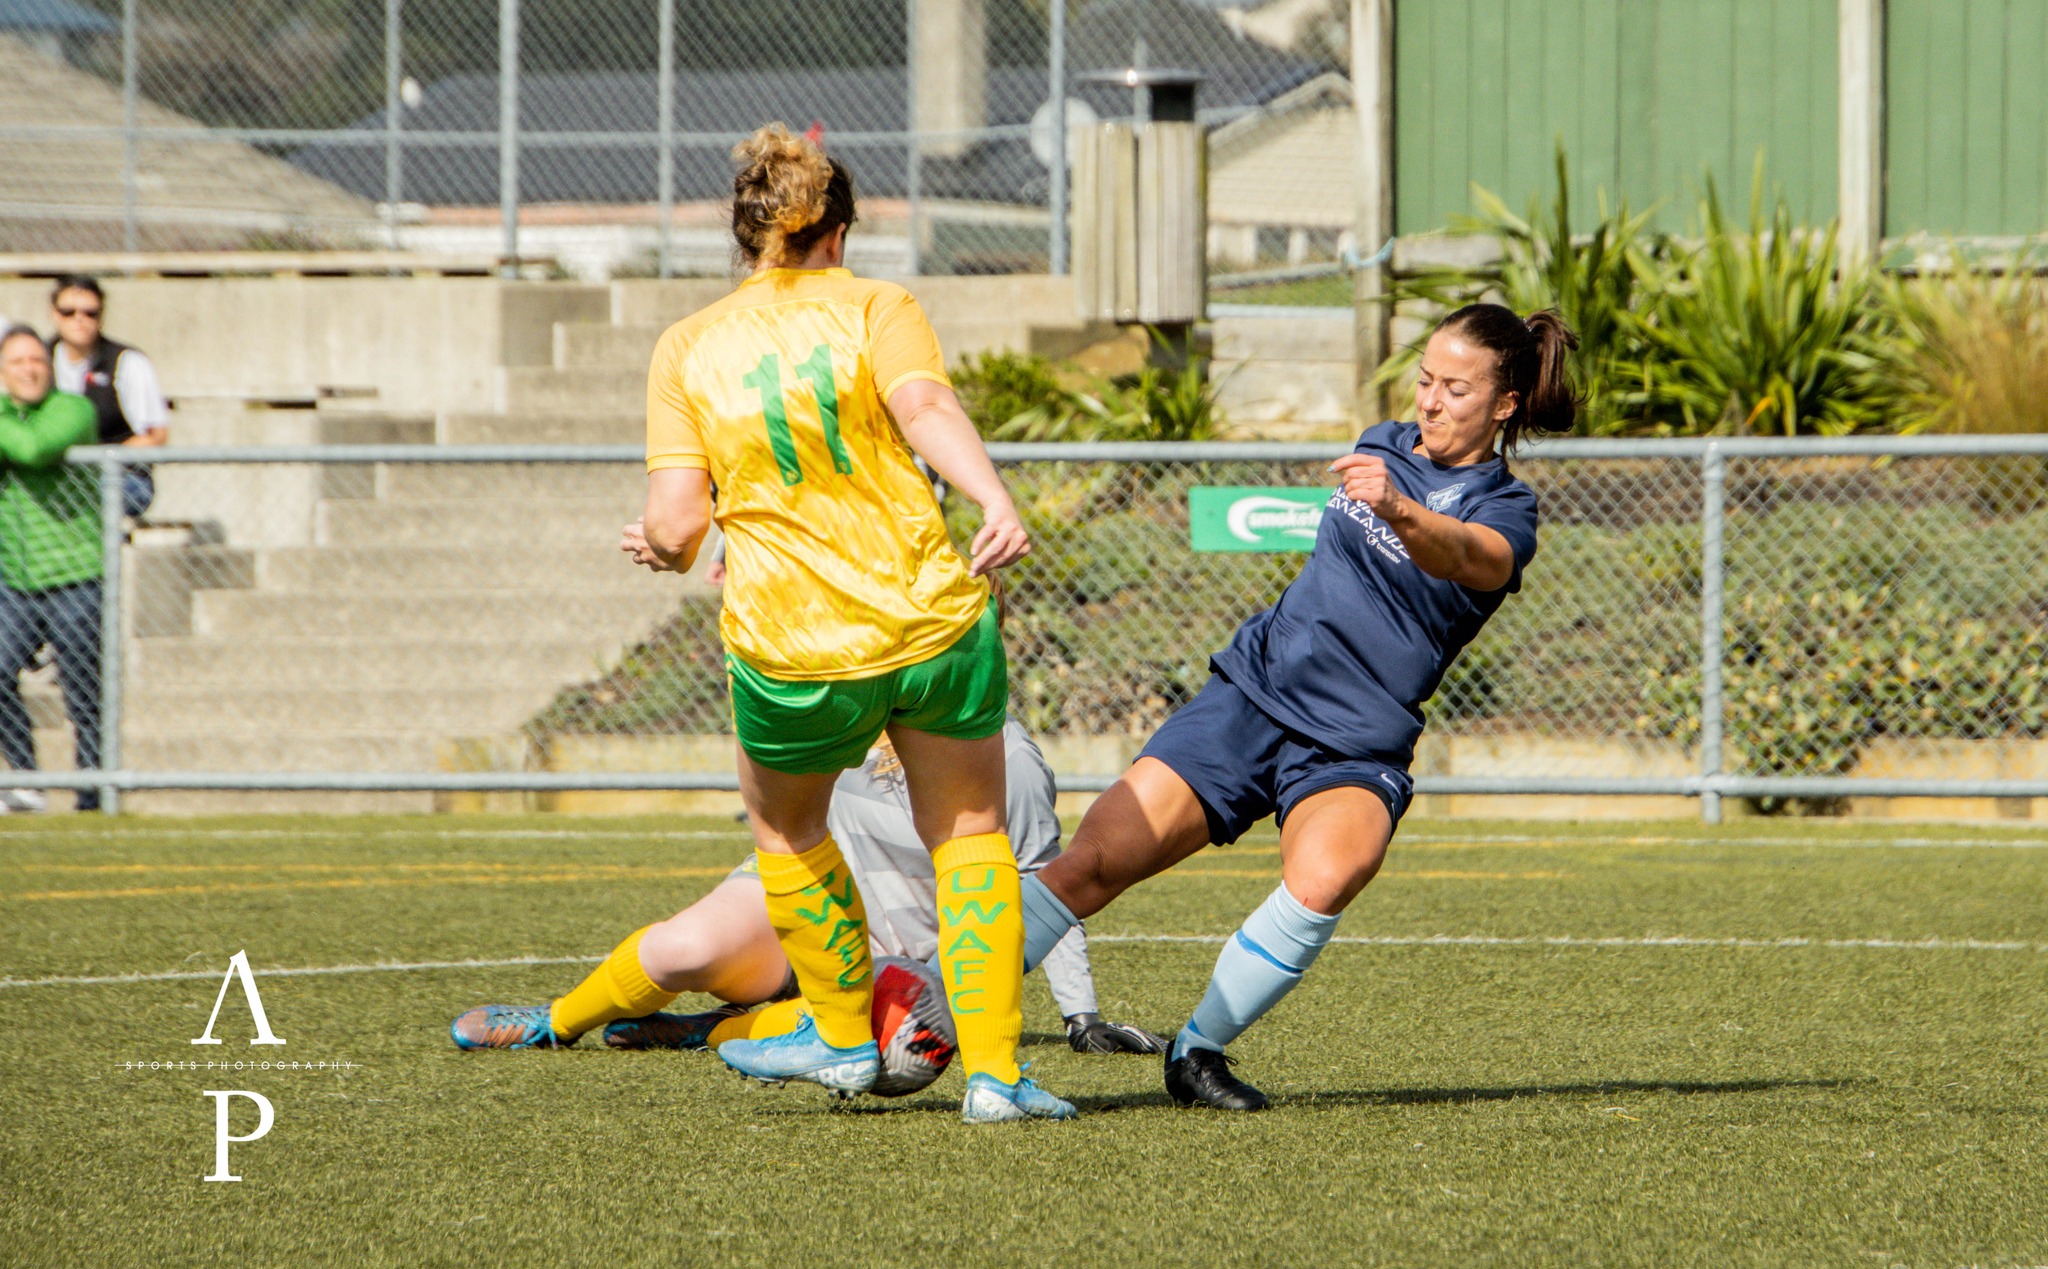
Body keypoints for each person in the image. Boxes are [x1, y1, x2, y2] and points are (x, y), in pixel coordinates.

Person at [1014, 304, 1578, 1110]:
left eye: (1456, 388)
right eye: (1425, 379)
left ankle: (1197, 1050)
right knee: (1092, 863)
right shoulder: (1382, 442)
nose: (1430, 400)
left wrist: (1401, 510)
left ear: (1506, 402)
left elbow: (1468, 557)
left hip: (1354, 740)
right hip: (1254, 694)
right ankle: (923, 1016)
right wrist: (1388, 494)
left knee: (1331, 873)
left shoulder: (1505, 510)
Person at [620, 123, 1066, 1123]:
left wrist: (658, 546)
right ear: (841, 225)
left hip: (793, 644)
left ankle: (836, 1034)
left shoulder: (686, 347)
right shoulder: (881, 305)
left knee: (787, 831)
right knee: (970, 839)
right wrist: (992, 498)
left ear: (744, 235)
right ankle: (996, 1076)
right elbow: (925, 407)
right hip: (928, 621)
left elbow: (680, 525)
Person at [448, 722, 1169, 1080]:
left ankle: (712, 1031)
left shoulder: (1006, 758)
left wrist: (1081, 1015)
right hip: (801, 913)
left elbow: (1049, 881)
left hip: (898, 969)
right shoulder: (843, 715)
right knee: (680, 948)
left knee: (889, 1050)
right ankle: (554, 1022)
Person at [0, 327, 103, 814]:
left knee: (83, 694)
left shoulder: (74, 408)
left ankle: (94, 792)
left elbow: (36, 448)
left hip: (75, 575)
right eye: (16, 361)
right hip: (15, 580)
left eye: (36, 359)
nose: (28, 369)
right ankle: (27, 781)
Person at [47, 277, 167, 518]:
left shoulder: (128, 362)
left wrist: (98, 460)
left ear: (101, 316)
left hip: (119, 477)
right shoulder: (37, 360)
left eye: (90, 313)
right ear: (55, 315)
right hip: (51, 474)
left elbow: (155, 436)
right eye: (68, 312)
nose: (79, 320)